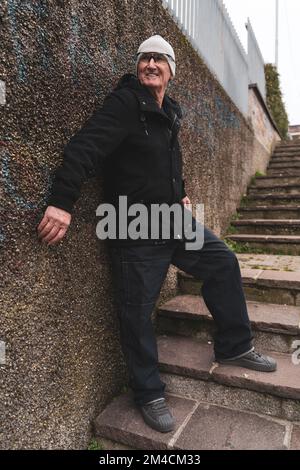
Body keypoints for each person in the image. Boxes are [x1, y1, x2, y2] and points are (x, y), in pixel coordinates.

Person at [37, 35, 277, 434]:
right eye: (144, 58)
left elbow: (168, 159)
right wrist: (62, 202)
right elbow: (84, 148)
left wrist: (180, 190)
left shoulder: (169, 111)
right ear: (138, 66)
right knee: (136, 311)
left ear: (171, 70)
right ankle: (148, 391)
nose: (150, 64)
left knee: (222, 261)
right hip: (132, 226)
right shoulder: (126, 104)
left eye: (159, 59)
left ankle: (234, 346)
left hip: (171, 221)